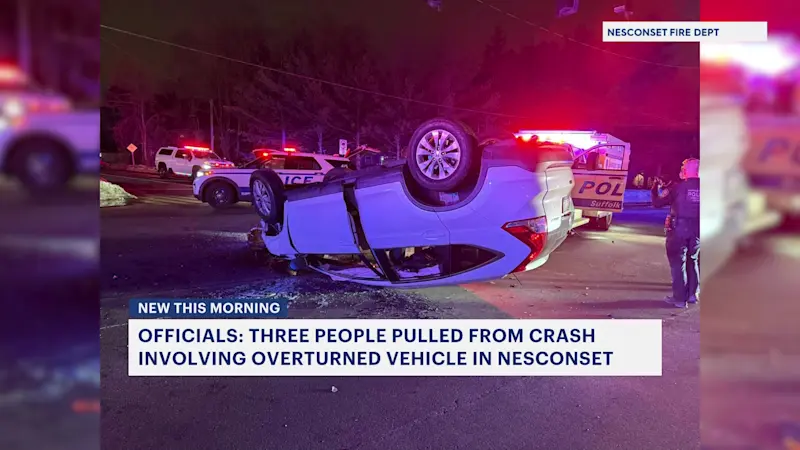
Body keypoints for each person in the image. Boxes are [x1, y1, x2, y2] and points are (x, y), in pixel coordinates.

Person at [652, 158, 700, 308]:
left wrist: (654, 188)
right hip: (698, 230)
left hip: (678, 229)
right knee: (693, 259)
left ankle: (679, 298)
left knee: (678, 263)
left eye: (683, 167)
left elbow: (657, 203)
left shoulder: (677, 188)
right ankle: (693, 294)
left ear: (686, 171)